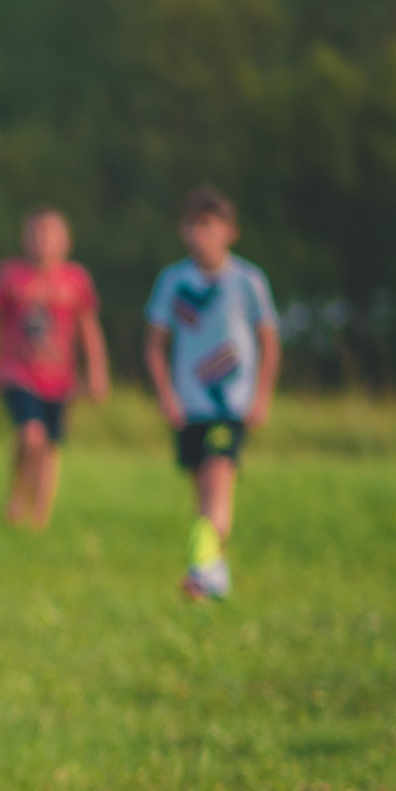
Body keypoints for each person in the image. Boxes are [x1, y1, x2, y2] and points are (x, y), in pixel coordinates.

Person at [144, 185, 279, 601]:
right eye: (193, 225)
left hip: (230, 403)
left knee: (217, 480)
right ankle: (216, 572)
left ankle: (200, 573)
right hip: (189, 402)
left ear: (229, 231)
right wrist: (165, 394)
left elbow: (269, 341)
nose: (200, 234)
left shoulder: (248, 281)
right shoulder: (173, 281)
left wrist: (261, 396)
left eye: (209, 225)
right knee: (202, 493)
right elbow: (155, 344)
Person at [0, 208, 108, 530]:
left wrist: (97, 373)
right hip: (17, 373)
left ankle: (38, 519)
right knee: (31, 436)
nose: (42, 243)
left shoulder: (76, 280)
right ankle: (18, 492)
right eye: (36, 235)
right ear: (24, 239)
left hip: (60, 378)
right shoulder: (8, 276)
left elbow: (88, 329)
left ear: (67, 242)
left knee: (50, 445)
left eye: (50, 236)